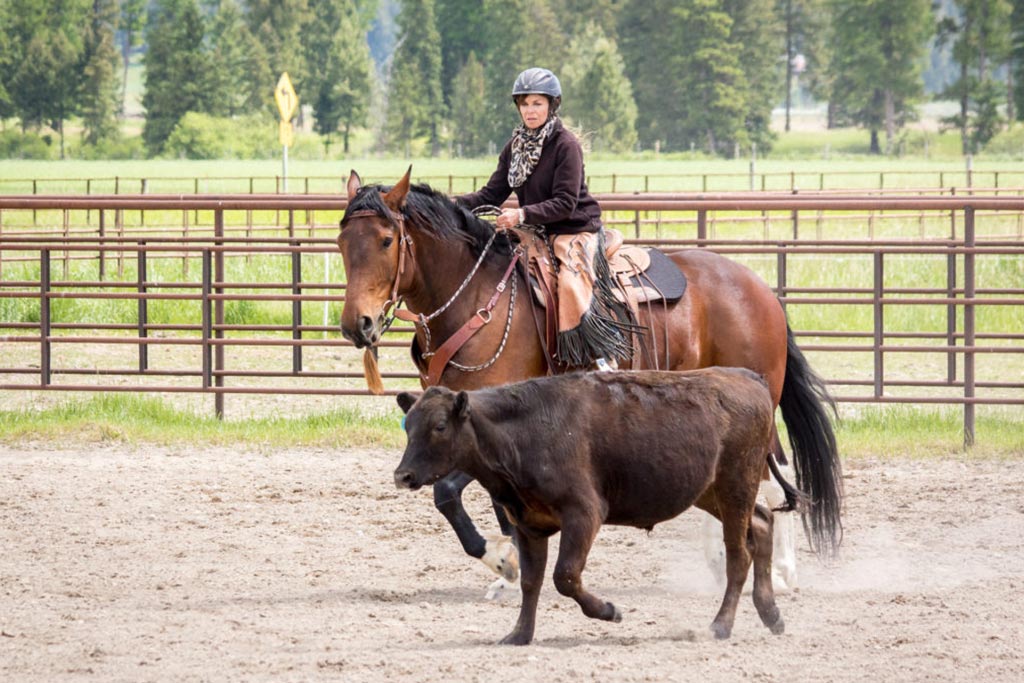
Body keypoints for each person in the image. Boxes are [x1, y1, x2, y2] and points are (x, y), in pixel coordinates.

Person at [457, 67, 632, 369]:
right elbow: (490, 195)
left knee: (570, 283)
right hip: (535, 231)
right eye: (524, 104)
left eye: (537, 103)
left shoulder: (566, 146)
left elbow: (566, 203)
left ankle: (597, 356)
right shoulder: (515, 148)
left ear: (552, 105)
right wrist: (445, 207)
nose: (530, 110)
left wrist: (522, 213)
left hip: (574, 229)